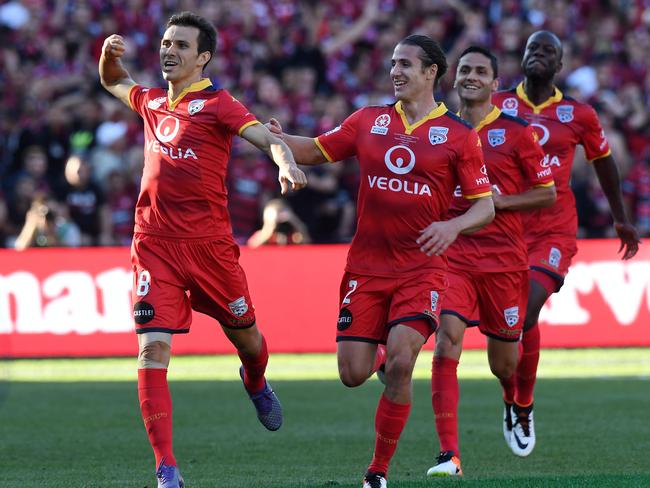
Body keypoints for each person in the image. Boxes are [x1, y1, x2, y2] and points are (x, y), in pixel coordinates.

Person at [268, 34, 495, 488]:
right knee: (352, 374)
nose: (395, 71)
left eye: (406, 64)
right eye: (393, 63)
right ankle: (381, 367)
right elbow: (315, 149)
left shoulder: (458, 136)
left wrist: (451, 227)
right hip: (366, 268)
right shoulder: (368, 121)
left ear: (431, 72)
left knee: (401, 361)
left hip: (422, 269)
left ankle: (377, 472)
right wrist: (269, 138)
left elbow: (484, 206)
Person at [98, 11, 307, 488]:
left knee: (249, 340)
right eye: (166, 43)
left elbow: (264, 137)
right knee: (151, 349)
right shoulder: (151, 100)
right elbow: (114, 82)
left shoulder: (219, 104)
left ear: (203, 58)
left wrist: (286, 161)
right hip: (153, 245)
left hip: (210, 248)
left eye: (180, 46)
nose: (168, 51)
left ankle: (254, 380)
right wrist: (107, 57)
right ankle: (166, 467)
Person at [491, 31, 640, 457]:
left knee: (524, 315)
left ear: (560, 66)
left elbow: (604, 163)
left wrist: (620, 217)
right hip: (503, 230)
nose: (538, 55)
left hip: (553, 230)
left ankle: (524, 405)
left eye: (548, 51)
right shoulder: (498, 105)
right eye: (532, 49)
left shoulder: (579, 114)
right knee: (512, 324)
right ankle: (512, 398)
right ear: (521, 59)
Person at [426, 46, 556, 477]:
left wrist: (502, 202)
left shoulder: (517, 133)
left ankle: (514, 400)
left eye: (481, 71)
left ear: (496, 83)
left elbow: (547, 192)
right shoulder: (438, 129)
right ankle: (449, 456)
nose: (472, 76)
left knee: (504, 365)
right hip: (455, 256)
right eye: (464, 70)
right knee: (446, 341)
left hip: (504, 262)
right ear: (453, 78)